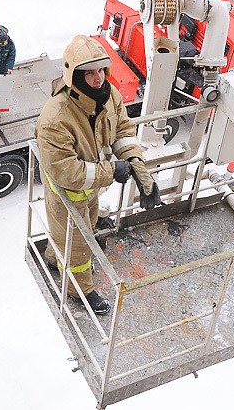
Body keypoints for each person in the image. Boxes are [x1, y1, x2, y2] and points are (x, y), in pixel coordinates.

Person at [34, 35, 160, 316]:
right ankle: (80, 291)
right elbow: (67, 172)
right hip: (67, 193)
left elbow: (123, 132)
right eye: (89, 73)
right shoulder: (56, 119)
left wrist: (142, 174)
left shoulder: (108, 96)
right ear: (73, 76)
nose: (98, 78)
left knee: (82, 228)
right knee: (78, 245)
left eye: (101, 70)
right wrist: (112, 170)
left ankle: (54, 259)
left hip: (91, 189)